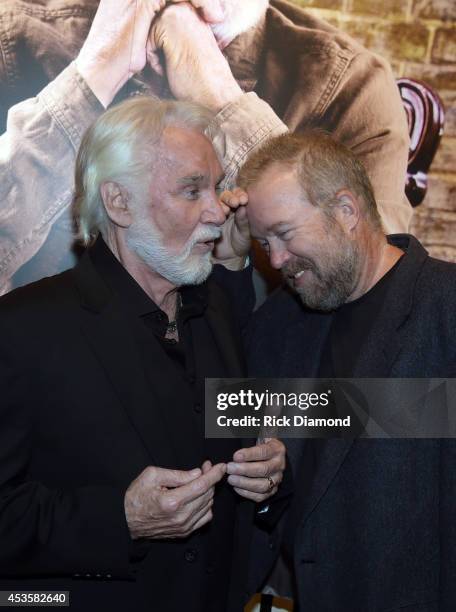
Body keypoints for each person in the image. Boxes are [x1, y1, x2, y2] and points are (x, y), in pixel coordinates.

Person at [0, 96, 286, 612]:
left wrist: (267, 477)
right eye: (191, 190)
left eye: (216, 188)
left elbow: (246, 457)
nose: (217, 209)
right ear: (119, 203)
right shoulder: (22, 329)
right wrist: (121, 521)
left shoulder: (217, 310)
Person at [0, 0, 410, 294]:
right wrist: (93, 75)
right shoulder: (13, 39)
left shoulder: (349, 85)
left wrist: (222, 102)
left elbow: (377, 299)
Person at [237, 131, 456, 611]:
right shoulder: (276, 325)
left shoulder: (446, 308)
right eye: (262, 241)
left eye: (285, 233)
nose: (275, 260)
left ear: (346, 211)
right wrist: (270, 484)